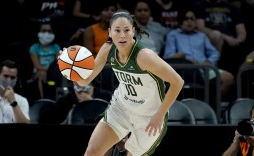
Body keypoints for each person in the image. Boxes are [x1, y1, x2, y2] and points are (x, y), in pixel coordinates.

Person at [67, 9, 184, 156]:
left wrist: (159, 115)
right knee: (92, 152)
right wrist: (67, 65)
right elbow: (84, 81)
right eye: (117, 30)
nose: (122, 35)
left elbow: (178, 82)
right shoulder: (108, 49)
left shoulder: (144, 56)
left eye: (126, 30)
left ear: (133, 31)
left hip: (149, 114)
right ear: (109, 32)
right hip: (122, 107)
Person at [163, 8, 234, 101]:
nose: (189, 22)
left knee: (228, 78)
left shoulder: (202, 36)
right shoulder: (173, 35)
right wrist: (186, 59)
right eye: (186, 19)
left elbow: (214, 53)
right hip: (185, 70)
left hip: (203, 69)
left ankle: (211, 105)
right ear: (180, 22)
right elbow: (168, 56)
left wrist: (208, 61)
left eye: (192, 19)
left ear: (196, 22)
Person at [0, 59, 30, 123]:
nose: (9, 80)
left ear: (16, 80)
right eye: (6, 76)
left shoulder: (22, 100)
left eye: (12, 77)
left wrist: (13, 102)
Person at [29, 21, 61, 99]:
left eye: (49, 31)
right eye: (43, 31)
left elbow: (59, 63)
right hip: (39, 72)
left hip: (54, 72)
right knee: (42, 74)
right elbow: (37, 66)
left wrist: (52, 71)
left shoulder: (56, 47)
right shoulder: (34, 48)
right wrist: (49, 71)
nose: (46, 33)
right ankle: (43, 98)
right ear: (38, 32)